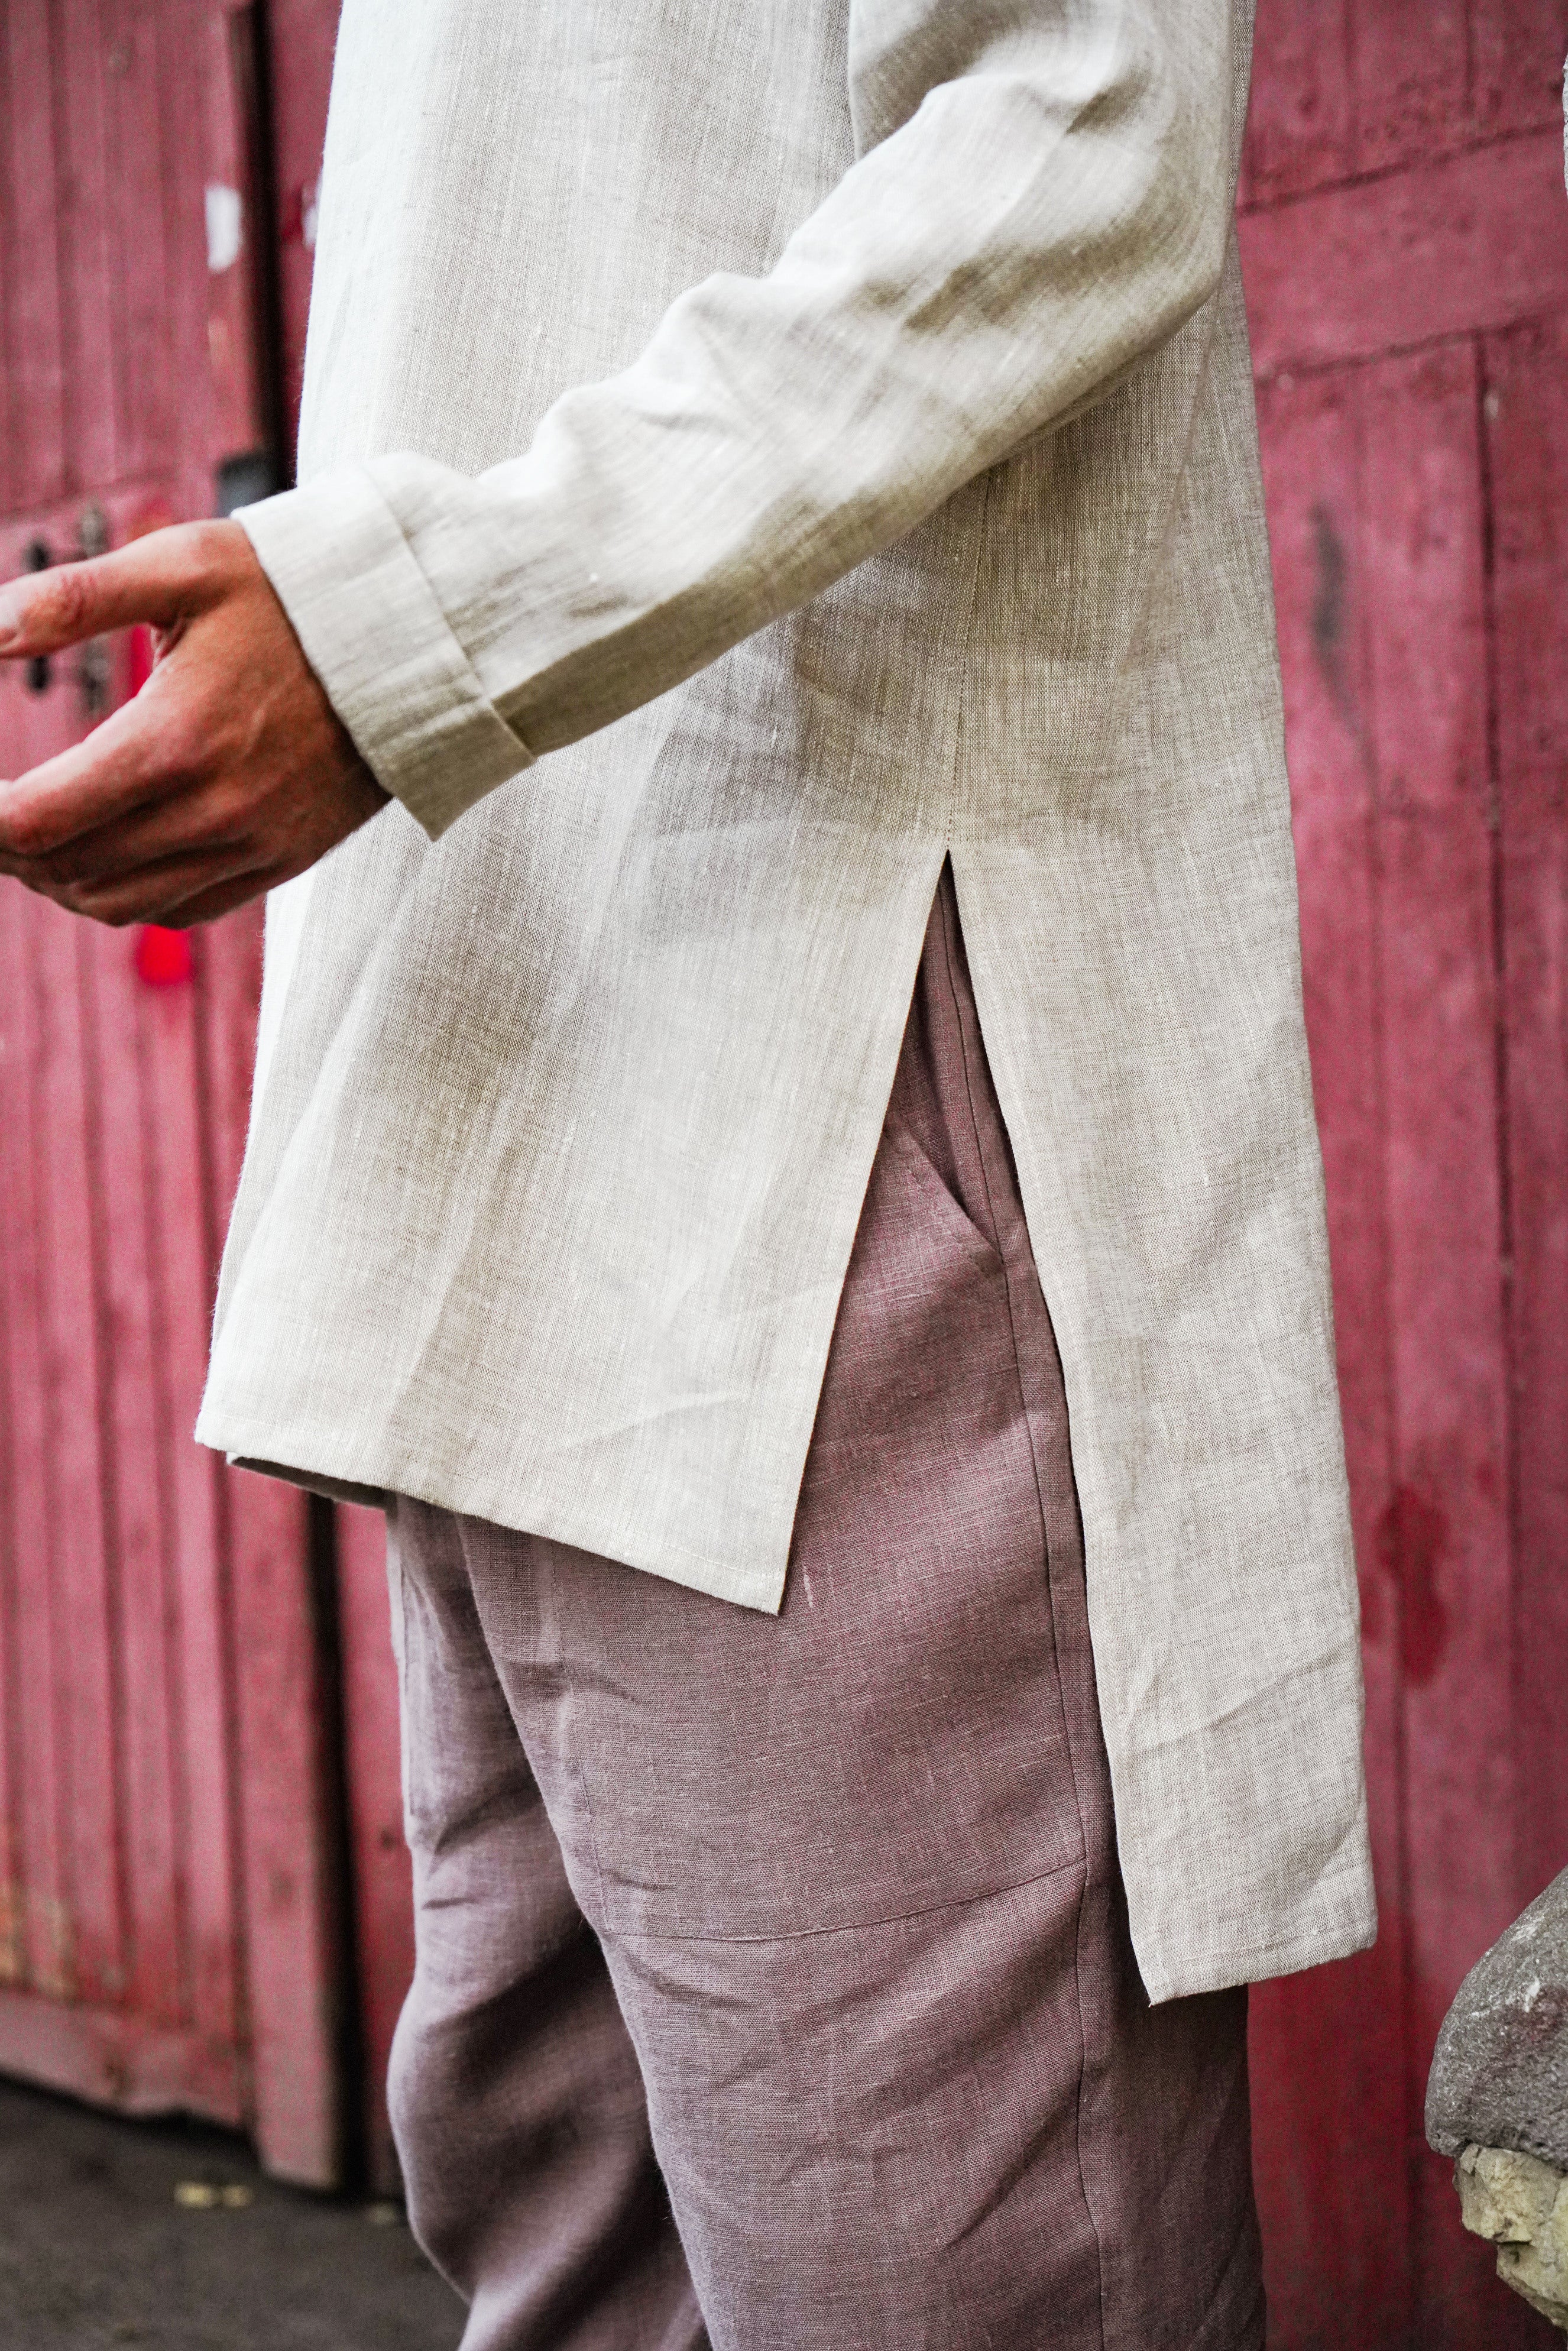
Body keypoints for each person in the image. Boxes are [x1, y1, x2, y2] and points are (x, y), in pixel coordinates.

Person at [0, 2, 1375, 2342]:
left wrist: (421, 626)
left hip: (826, 1049)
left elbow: (1081, 120)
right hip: (509, 1043)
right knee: (569, 2237)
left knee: (932, 2280)